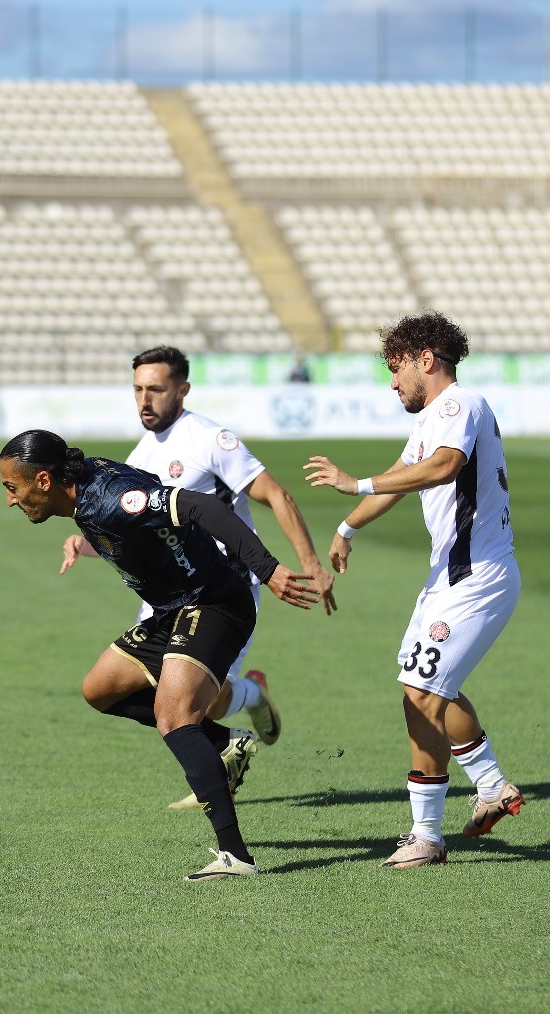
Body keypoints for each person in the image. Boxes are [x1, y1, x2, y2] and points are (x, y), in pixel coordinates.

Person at [0, 429, 319, 881]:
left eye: (13, 487)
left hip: (213, 604)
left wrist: (267, 571)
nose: (11, 499)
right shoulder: (83, 486)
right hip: (171, 610)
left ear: (45, 481)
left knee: (174, 718)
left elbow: (202, 507)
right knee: (99, 690)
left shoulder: (111, 497)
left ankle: (236, 857)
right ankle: (222, 741)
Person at [60, 344, 337, 809]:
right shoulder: (141, 454)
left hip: (223, 588)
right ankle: (228, 740)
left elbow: (277, 495)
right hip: (166, 592)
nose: (144, 399)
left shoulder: (211, 439)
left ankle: (243, 708)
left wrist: (310, 565)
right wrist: (85, 543)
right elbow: (133, 524)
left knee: (191, 699)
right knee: (152, 690)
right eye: (137, 389)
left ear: (182, 390)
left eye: (156, 389)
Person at [304, 312, 523, 869]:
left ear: (426, 360)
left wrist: (357, 483)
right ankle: (492, 786)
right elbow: (406, 472)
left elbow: (444, 467)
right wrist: (348, 525)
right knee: (424, 687)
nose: (392, 381)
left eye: (396, 367)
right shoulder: (433, 418)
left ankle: (426, 837)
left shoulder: (457, 406)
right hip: (451, 576)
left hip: (475, 577)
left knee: (423, 692)